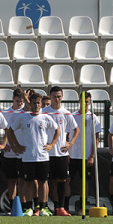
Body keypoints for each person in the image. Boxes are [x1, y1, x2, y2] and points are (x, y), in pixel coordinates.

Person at [8, 93, 60, 216]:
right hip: (28, 156)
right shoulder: (23, 117)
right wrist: (16, 146)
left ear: (41, 104)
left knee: (43, 182)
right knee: (28, 182)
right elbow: (10, 130)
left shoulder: (45, 117)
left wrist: (52, 145)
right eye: (34, 103)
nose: (37, 105)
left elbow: (57, 130)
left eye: (38, 103)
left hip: (43, 156)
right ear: (30, 103)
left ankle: (43, 207)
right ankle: (28, 207)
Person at [43, 86, 79, 216]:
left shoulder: (66, 113)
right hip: (47, 153)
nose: (57, 99)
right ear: (50, 97)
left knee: (62, 180)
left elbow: (76, 130)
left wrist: (70, 144)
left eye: (59, 96)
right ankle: (46, 207)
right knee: (49, 181)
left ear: (62, 97)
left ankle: (61, 208)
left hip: (61, 153)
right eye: (54, 96)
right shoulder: (44, 112)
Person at [68, 91, 101, 215]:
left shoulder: (93, 117)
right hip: (72, 155)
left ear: (89, 102)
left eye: (87, 102)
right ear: (79, 101)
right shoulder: (72, 116)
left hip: (86, 156)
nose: (85, 104)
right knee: (67, 180)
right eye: (82, 101)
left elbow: (96, 138)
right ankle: (64, 206)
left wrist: (92, 156)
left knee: (84, 182)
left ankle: (82, 206)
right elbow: (67, 135)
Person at [3, 88, 24, 211]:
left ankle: (23, 205)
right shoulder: (6, 112)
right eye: (17, 101)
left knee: (22, 181)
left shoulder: (25, 112)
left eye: (21, 101)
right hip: (10, 153)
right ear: (13, 99)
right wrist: (2, 144)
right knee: (12, 180)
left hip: (22, 153)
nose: (19, 103)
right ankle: (12, 207)